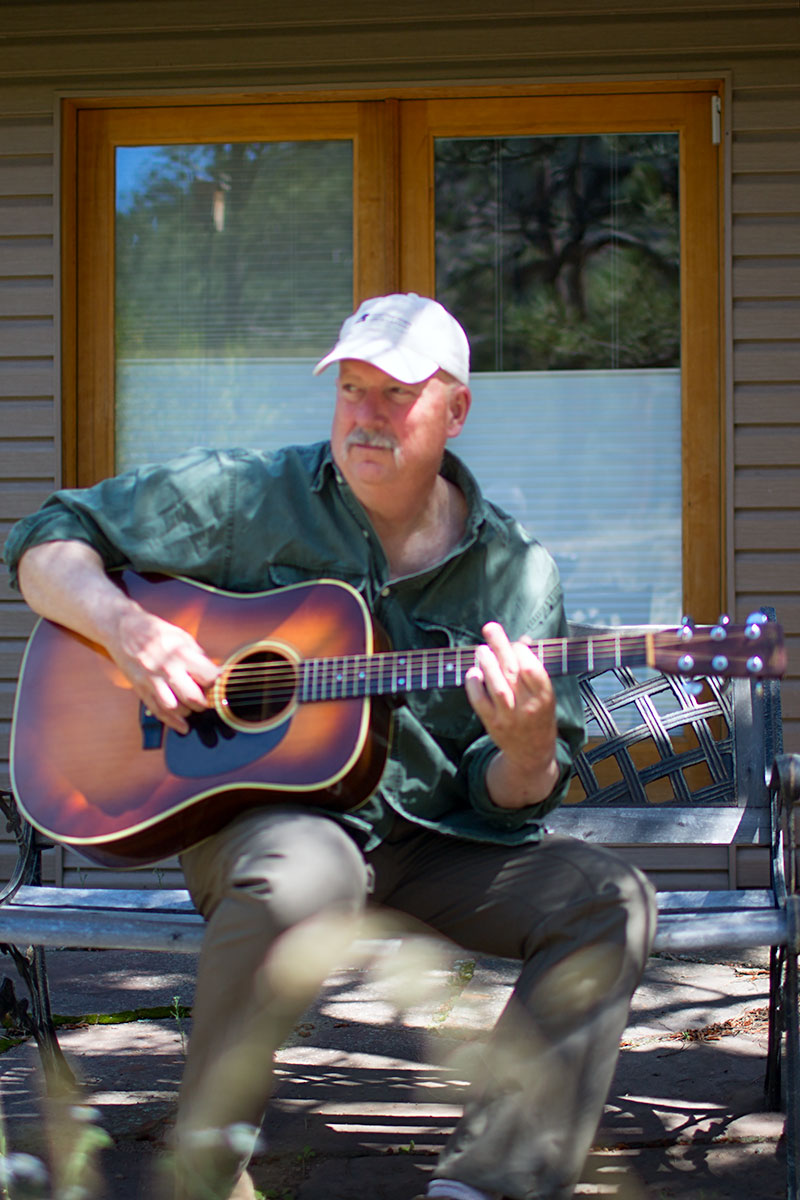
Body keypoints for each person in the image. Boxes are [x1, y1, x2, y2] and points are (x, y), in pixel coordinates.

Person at [3, 293, 657, 1200]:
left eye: (395, 393)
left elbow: (507, 796)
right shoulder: (252, 497)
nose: (366, 414)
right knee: (308, 869)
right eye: (351, 389)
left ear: (455, 409)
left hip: (430, 845)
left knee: (608, 898)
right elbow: (47, 538)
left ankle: (489, 1182)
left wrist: (529, 747)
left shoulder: (517, 574)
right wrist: (126, 628)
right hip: (265, 823)